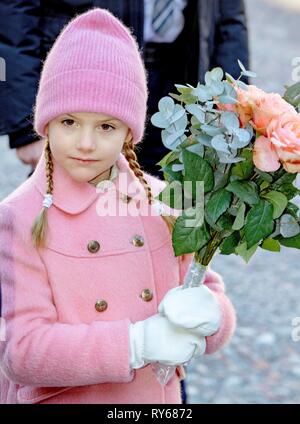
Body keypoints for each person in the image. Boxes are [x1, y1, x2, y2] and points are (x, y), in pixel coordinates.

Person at [0, 9, 236, 404]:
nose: (86, 143)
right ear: (45, 123)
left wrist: (212, 317)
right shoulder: (20, 217)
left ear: (130, 131)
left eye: (106, 126)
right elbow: (22, 352)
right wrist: (134, 343)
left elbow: (209, 292)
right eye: (69, 122)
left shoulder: (166, 203)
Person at [0, 0, 249, 177]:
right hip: (86, 91)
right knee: (76, 225)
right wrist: (25, 126)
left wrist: (233, 113)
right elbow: (14, 17)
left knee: (162, 220)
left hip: (180, 84)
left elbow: (228, 18)